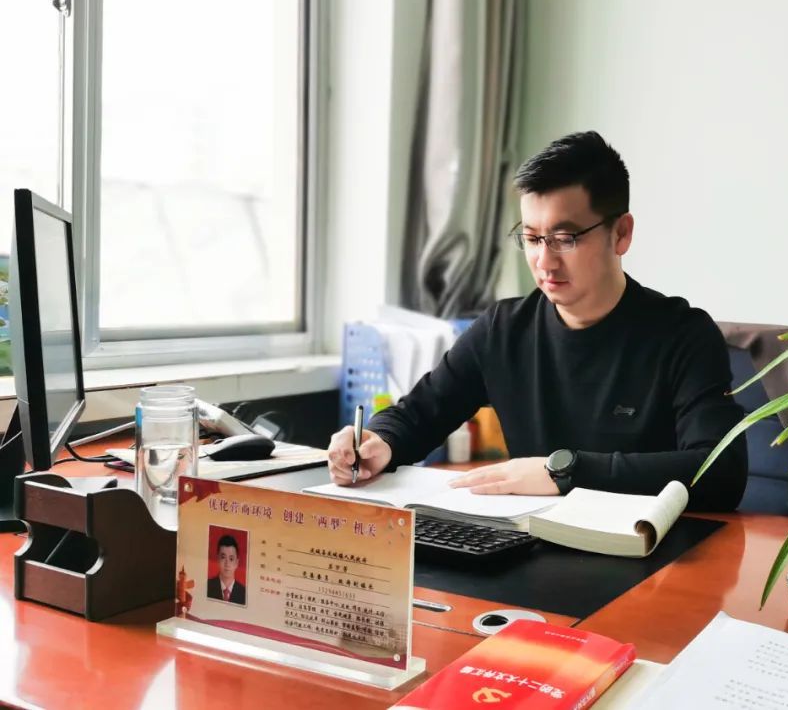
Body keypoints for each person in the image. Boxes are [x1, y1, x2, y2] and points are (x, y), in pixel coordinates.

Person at [327, 131, 747, 510]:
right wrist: (377, 441)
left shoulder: (684, 335)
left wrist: (563, 472)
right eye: (531, 238)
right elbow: (418, 414)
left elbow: (721, 472)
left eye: (565, 239)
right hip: (532, 544)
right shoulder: (503, 330)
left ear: (621, 233)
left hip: (649, 549)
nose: (544, 261)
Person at [207, 533, 246, 604]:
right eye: (223, 557)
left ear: (237, 563)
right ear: (218, 559)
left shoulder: (244, 593)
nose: (227, 564)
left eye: (231, 559)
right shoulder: (207, 586)